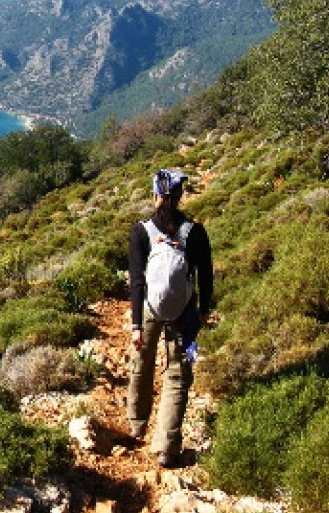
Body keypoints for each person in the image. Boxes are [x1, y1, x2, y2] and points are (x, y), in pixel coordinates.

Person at [127, 168, 213, 468]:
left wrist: (136, 325)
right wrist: (203, 310)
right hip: (184, 310)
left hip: (150, 307)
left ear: (154, 196)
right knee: (177, 375)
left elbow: (136, 282)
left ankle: (136, 425)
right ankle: (166, 446)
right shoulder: (195, 231)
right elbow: (206, 274)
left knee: (142, 364)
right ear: (179, 197)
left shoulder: (141, 232)